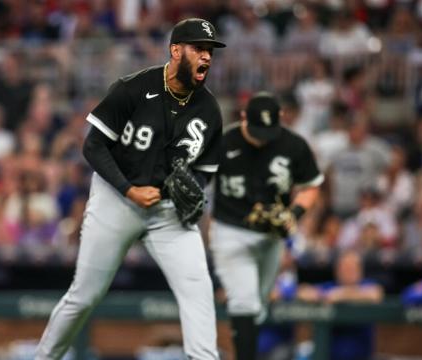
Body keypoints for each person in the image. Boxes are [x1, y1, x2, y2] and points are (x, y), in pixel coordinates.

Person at [36, 18, 226, 360]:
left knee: (198, 290)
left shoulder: (209, 109)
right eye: (199, 48)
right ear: (176, 50)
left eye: (210, 51)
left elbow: (204, 172)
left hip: (167, 214)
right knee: (85, 297)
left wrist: (193, 191)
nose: (206, 57)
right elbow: (93, 146)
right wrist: (127, 189)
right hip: (117, 199)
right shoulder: (133, 88)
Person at [210, 92, 323, 360]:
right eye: (257, 129)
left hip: (271, 235)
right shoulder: (223, 142)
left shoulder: (293, 145)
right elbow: (196, 181)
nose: (263, 137)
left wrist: (294, 212)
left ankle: (244, 342)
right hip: (230, 230)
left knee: (258, 304)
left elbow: (311, 186)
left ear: (280, 119)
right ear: (243, 117)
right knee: (244, 300)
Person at [297, 251, 383, 360]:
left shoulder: (366, 285)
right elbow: (302, 291)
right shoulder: (331, 287)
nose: (348, 272)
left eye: (352, 268)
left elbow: (376, 294)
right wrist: (323, 295)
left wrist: (342, 295)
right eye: (345, 268)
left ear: (360, 270)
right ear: (337, 270)